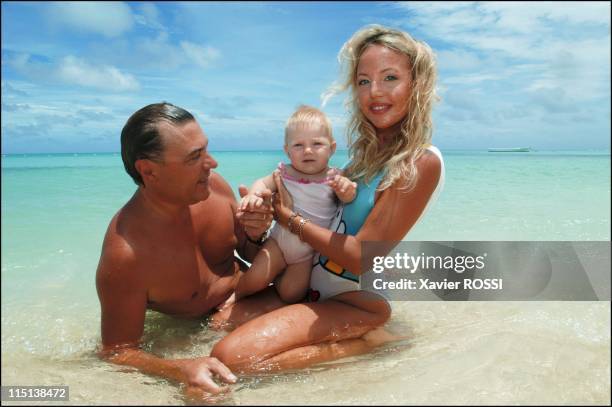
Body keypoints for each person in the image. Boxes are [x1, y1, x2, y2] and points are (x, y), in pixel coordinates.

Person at [210, 24, 445, 373]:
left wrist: (287, 218)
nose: (374, 92)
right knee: (219, 320)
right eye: (364, 81)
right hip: (312, 286)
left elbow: (359, 259)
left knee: (231, 358)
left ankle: (368, 343)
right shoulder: (361, 160)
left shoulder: (420, 163)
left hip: (358, 300)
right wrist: (260, 223)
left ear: (417, 84)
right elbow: (320, 213)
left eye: (390, 77)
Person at [95, 102, 283, 396]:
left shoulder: (214, 187)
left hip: (253, 300)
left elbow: (249, 254)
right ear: (149, 170)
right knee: (202, 392)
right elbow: (116, 351)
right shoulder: (127, 254)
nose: (212, 163)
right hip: (208, 331)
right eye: (195, 157)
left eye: (205, 149)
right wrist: (180, 368)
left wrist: (256, 234)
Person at [230, 105, 357, 305]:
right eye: (298, 145)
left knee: (292, 294)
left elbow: (347, 201)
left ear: (331, 149)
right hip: (279, 243)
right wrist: (253, 196)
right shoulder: (284, 173)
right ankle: (235, 295)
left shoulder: (336, 178)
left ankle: (277, 279)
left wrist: (347, 192)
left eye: (317, 143)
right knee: (254, 279)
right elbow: (263, 183)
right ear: (287, 151)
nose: (308, 150)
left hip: (307, 253)